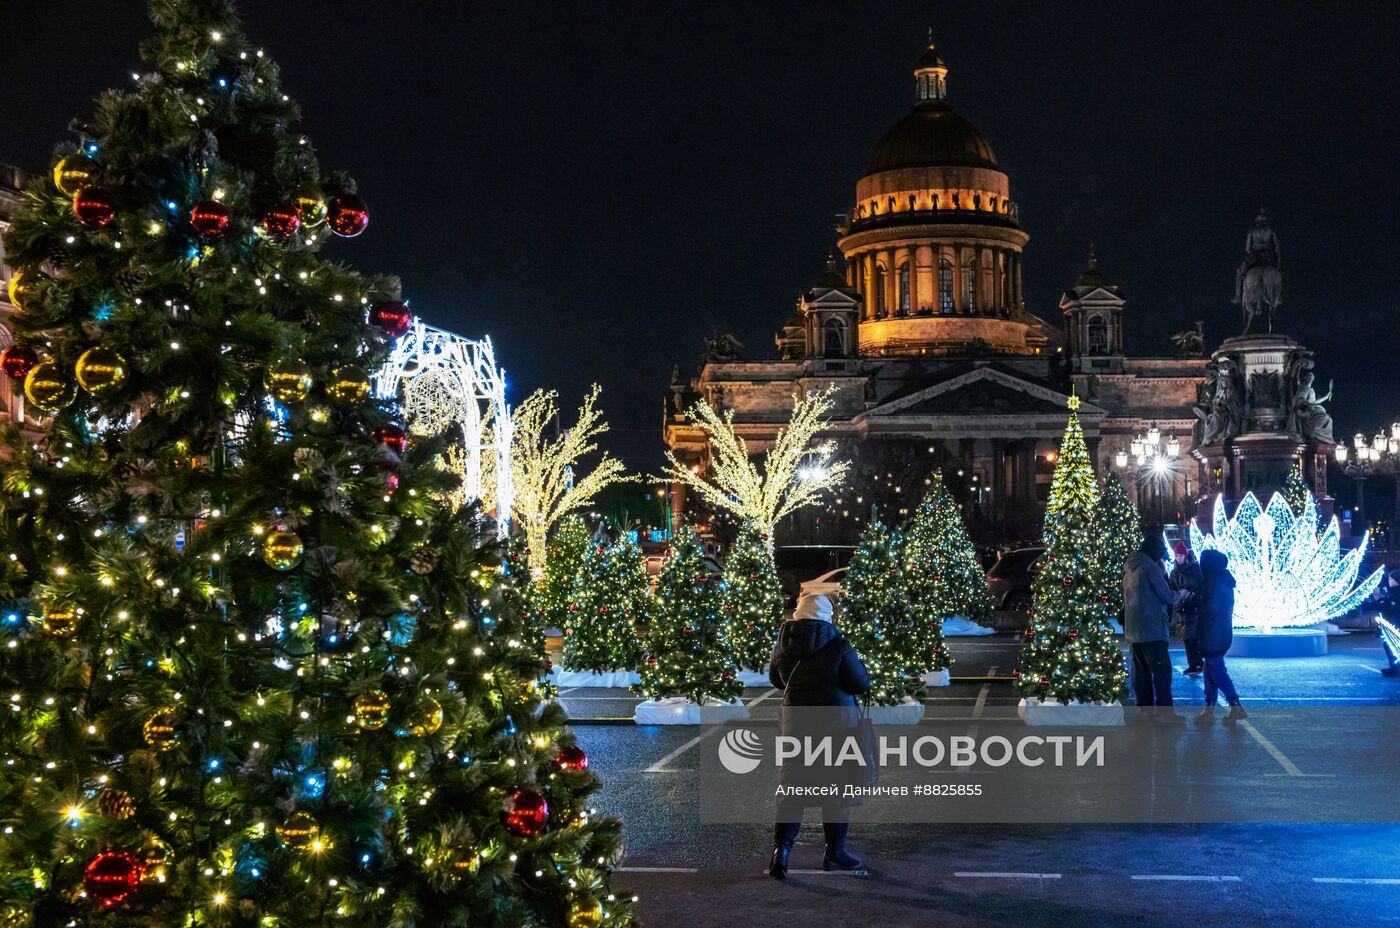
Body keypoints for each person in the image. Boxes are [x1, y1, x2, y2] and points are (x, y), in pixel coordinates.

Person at [767, 592, 870, 879]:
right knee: (835, 789)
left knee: (793, 788)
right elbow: (860, 683)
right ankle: (835, 853)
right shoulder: (838, 645)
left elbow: (776, 680)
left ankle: (781, 852)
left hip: (796, 725)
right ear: (827, 617)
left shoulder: (782, 644)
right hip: (835, 727)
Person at [1123, 535, 1187, 717]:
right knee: (1162, 673)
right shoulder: (1150, 569)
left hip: (1134, 631)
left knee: (1141, 674)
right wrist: (1181, 593)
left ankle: (1145, 710)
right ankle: (1165, 714)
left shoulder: (1129, 570)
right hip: (1152, 630)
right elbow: (1166, 596)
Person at [1195, 549, 1247, 723]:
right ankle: (1209, 707)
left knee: (1215, 669)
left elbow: (1210, 607)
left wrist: (1195, 602)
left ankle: (1234, 704)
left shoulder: (1214, 582)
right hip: (1220, 631)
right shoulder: (1222, 580)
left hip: (1213, 633)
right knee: (1210, 668)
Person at [1169, 542, 1204, 675]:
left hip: (1192, 607)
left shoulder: (1194, 569)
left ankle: (1197, 663)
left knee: (1192, 638)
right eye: (1177, 556)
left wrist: (1192, 594)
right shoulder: (1174, 572)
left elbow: (1200, 585)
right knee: (1187, 639)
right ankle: (1195, 664)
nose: (1179, 558)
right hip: (1181, 608)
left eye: (1181, 556)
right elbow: (1172, 588)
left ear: (1185, 556)